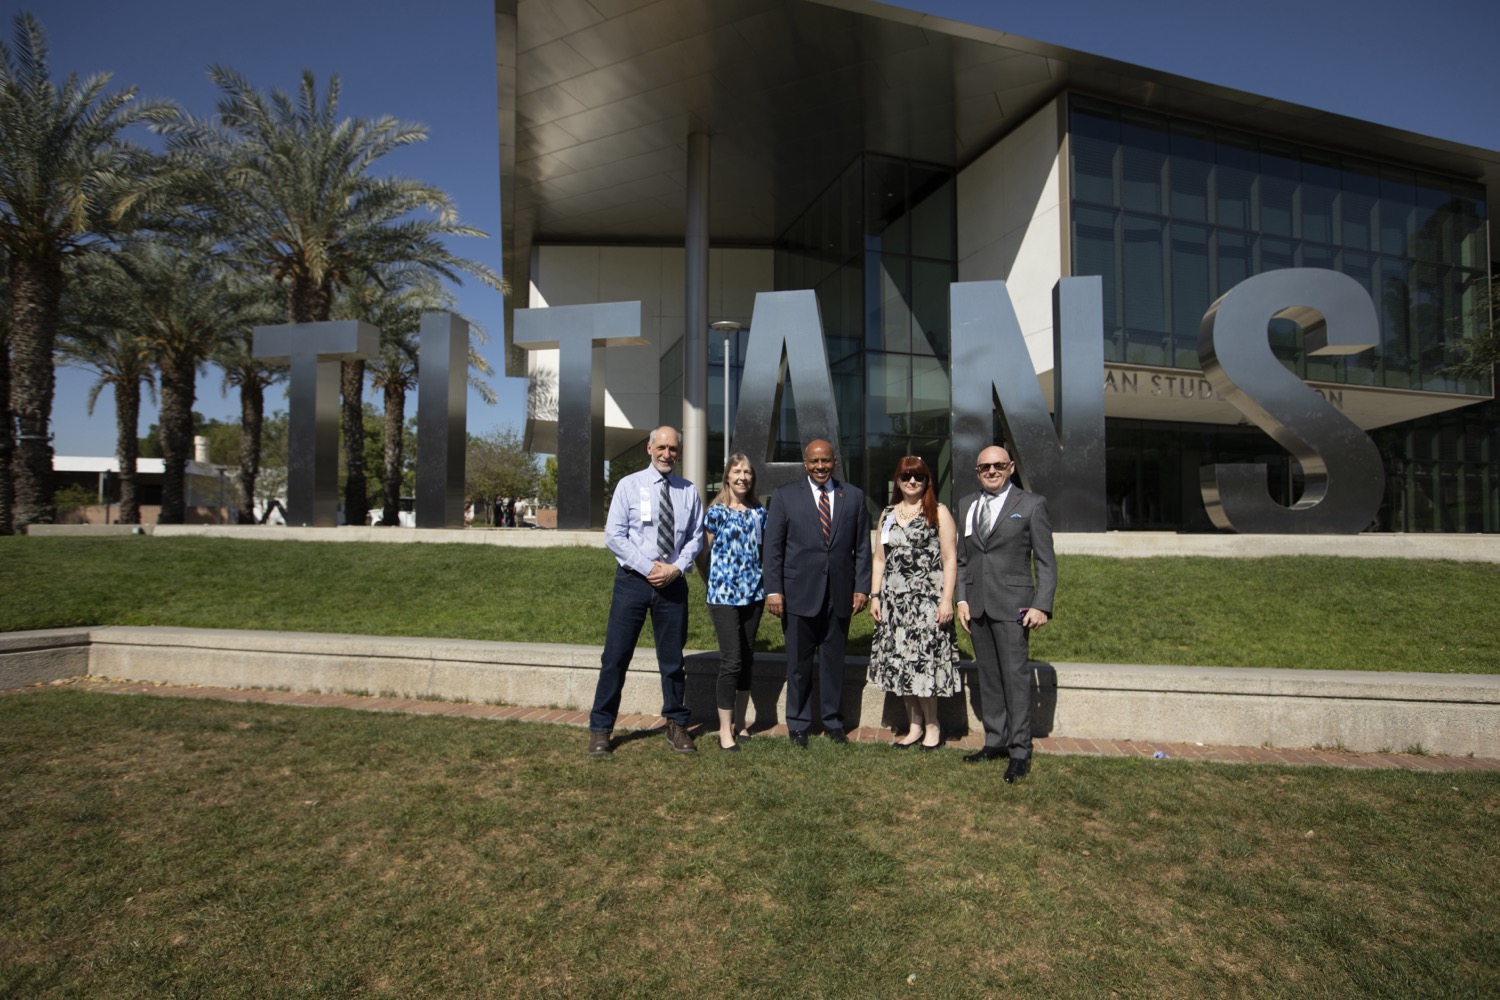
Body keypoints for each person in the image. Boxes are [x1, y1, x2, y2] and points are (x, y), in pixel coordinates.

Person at [588, 426, 704, 756]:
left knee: (671, 661)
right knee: (615, 657)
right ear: (649, 449)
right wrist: (648, 567)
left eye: (673, 449)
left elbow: (696, 537)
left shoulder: (689, 491)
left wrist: (676, 568)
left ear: (679, 452)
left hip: (673, 585)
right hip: (633, 583)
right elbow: (614, 535)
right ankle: (600, 729)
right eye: (661, 447)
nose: (667, 454)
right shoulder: (629, 485)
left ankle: (676, 725)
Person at [955, 444, 1056, 782]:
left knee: (1014, 679)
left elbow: (1045, 561)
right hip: (978, 605)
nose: (992, 471)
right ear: (977, 471)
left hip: (1014, 606)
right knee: (990, 678)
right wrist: (962, 600)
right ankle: (995, 741)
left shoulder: (1031, 504)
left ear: (1011, 467)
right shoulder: (967, 504)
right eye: (985, 467)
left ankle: (1019, 751)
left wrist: (1042, 604)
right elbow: (962, 558)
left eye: (998, 465)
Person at [762, 438, 872, 746]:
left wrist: (862, 587)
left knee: (834, 662)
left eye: (825, 461)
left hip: (840, 594)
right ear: (805, 463)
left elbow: (862, 547)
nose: (820, 467)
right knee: (798, 664)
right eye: (814, 461)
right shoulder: (784, 497)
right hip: (797, 594)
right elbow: (773, 549)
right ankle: (798, 724)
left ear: (834, 461)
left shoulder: (853, 496)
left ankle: (833, 722)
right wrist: (773, 590)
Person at [866, 456, 959, 751]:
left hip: (927, 604)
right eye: (906, 477)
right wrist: (875, 596)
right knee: (903, 665)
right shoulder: (888, 514)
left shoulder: (938, 512)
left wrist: (947, 600)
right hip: (895, 605)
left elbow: (950, 559)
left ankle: (933, 726)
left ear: (926, 481)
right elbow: (880, 559)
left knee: (924, 665)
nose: (912, 482)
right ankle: (914, 727)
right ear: (898, 480)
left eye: (918, 477)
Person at [696, 453, 767, 752]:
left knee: (747, 658)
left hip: (753, 596)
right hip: (723, 597)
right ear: (726, 476)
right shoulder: (716, 512)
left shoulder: (759, 512)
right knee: (732, 660)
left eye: (747, 472)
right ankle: (725, 731)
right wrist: (712, 581)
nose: (742, 477)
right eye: (737, 471)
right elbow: (702, 553)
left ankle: (740, 722)